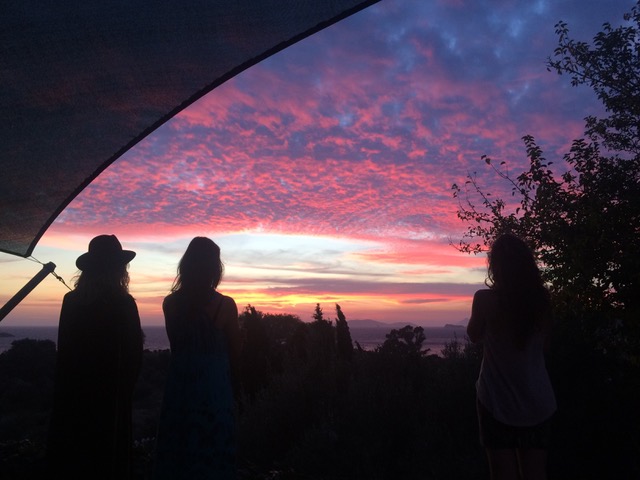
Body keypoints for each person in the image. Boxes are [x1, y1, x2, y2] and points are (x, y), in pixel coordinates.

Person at [48, 234, 143, 480]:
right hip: (111, 400)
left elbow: (64, 353)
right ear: (118, 269)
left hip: (74, 397)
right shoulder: (124, 304)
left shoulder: (72, 301)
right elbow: (134, 357)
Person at [467, 233, 556, 480]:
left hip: (495, 399)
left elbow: (473, 335)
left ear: (495, 266)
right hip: (538, 399)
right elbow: (545, 345)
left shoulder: (484, 300)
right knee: (535, 473)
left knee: (502, 474)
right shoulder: (542, 302)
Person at [153, 237, 241, 480]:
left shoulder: (170, 304)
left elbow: (176, 344)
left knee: (178, 451)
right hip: (214, 388)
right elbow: (236, 349)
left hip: (180, 386)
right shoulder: (225, 305)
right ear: (215, 268)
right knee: (214, 451)